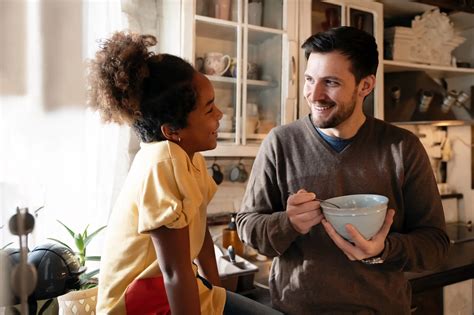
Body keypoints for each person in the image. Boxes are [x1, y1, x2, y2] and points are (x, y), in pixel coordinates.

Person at [236, 26, 449, 314]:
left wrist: (383, 249)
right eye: (310, 80)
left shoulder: (402, 147)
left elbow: (435, 246)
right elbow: (247, 226)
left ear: (366, 85)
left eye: (331, 82)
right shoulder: (281, 143)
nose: (315, 95)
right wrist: (288, 223)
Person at [89, 31, 283, 315]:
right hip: (139, 304)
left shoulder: (187, 159)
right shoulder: (162, 163)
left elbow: (201, 233)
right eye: (208, 110)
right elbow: (174, 272)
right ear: (173, 131)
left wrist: (219, 295)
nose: (220, 114)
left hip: (169, 292)